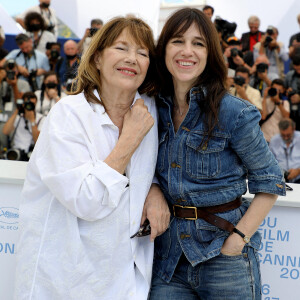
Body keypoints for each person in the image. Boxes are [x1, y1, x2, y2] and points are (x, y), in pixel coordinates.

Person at [14, 16, 170, 300]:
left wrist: (154, 189)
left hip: (122, 279)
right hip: (64, 281)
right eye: (121, 48)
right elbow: (86, 200)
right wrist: (129, 139)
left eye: (142, 52)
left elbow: (149, 170)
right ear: (97, 58)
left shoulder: (149, 111)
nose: (132, 58)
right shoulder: (68, 115)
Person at [149, 8, 285, 299]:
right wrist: (153, 190)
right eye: (177, 41)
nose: (187, 51)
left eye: (198, 43)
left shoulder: (233, 112)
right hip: (168, 259)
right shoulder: (152, 108)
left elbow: (270, 180)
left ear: (210, 53)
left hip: (224, 256)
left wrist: (237, 240)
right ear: (163, 49)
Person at [2, 92, 45, 161]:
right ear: (23, 104)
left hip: (31, 154)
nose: (29, 106)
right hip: (16, 153)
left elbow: (37, 141)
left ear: (36, 104)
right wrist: (17, 109)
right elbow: (5, 131)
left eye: (32, 104)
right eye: (27, 104)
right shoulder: (17, 117)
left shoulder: (41, 118)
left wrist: (32, 121)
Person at [0, 60, 31, 148]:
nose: (11, 71)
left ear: (17, 70)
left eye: (13, 68)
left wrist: (14, 86)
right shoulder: (2, 81)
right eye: (8, 69)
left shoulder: (24, 83)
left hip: (16, 118)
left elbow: (20, 104)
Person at [269, 118, 300, 183]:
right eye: (283, 135)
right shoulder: (274, 140)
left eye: (288, 135)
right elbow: (270, 162)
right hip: (280, 178)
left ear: (294, 129)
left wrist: (298, 170)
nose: (286, 138)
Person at [284, 54, 300, 130]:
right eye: (297, 69)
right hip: (291, 110)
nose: (299, 72)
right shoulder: (289, 75)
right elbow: (283, 90)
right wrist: (287, 92)